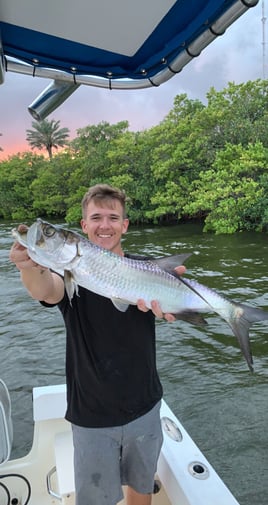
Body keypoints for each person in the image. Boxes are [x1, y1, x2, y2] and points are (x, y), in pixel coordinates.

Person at [9, 184, 185, 505]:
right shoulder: (68, 274)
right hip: (91, 414)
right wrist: (28, 265)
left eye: (113, 217)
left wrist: (179, 300)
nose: (105, 225)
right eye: (96, 218)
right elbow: (44, 290)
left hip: (145, 403)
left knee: (142, 487)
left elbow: (172, 296)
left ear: (125, 225)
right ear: (83, 225)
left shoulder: (144, 267)